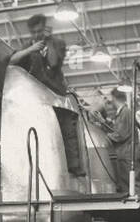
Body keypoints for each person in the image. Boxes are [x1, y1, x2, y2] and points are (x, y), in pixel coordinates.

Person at [9, 14, 85, 176]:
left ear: (45, 28)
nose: (37, 35)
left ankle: (73, 166)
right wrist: (30, 49)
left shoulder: (58, 44)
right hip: (37, 97)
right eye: (33, 32)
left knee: (66, 130)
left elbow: (53, 62)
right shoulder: (28, 46)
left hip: (57, 95)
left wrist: (48, 42)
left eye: (39, 31)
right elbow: (12, 61)